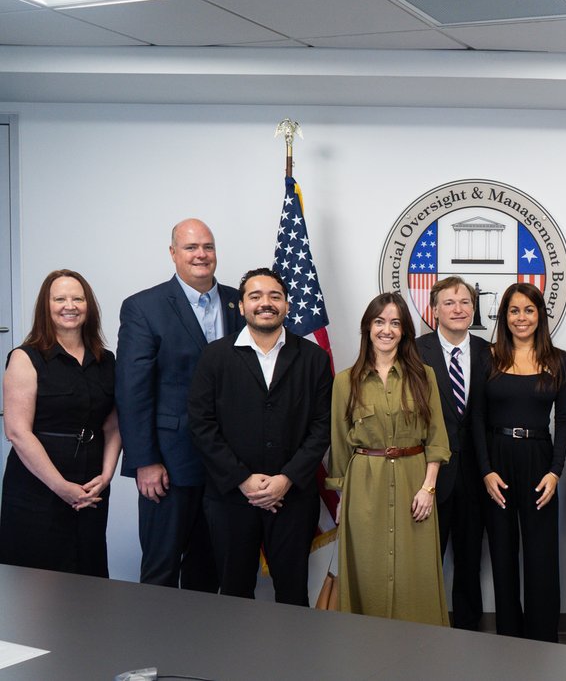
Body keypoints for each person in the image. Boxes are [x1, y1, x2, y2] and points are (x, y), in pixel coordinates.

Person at [188, 268, 332, 606]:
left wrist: (287, 478)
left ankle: (292, 645)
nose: (265, 303)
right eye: (255, 296)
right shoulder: (215, 356)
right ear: (241, 306)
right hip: (231, 497)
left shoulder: (313, 358)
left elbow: (323, 425)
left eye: (274, 296)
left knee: (293, 593)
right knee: (234, 592)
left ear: (287, 305)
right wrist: (242, 479)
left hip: (293, 497)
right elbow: (202, 424)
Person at [116, 218, 243, 591]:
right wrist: (145, 460)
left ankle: (202, 632)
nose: (201, 255)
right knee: (162, 569)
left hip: (226, 465)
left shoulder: (240, 302)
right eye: (191, 247)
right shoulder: (144, 307)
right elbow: (132, 391)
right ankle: (157, 634)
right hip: (169, 464)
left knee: (210, 569)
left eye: (208, 246)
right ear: (173, 253)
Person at [328, 292, 450, 623]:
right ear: (368, 328)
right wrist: (343, 497)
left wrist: (428, 488)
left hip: (414, 483)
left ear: (404, 330)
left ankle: (418, 647)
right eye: (380, 322)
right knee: (367, 570)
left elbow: (437, 438)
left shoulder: (425, 376)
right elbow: (339, 443)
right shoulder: (345, 381)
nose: (387, 330)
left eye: (395, 323)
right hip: (364, 488)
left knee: (415, 573)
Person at [0, 270, 121, 577]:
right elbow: (17, 431)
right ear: (47, 306)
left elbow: (113, 425)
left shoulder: (106, 360)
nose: (70, 306)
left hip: (91, 488)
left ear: (88, 306)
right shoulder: (25, 358)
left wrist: (106, 476)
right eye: (60, 299)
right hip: (37, 489)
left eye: (77, 299)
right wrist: (61, 487)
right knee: (38, 582)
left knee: (88, 573)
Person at [473, 282, 566, 641]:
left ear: (540, 315)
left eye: (529, 310)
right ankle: (509, 637)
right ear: (504, 316)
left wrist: (555, 472)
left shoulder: (558, 359)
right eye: (514, 310)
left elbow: (564, 420)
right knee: (502, 552)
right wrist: (485, 470)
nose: (521, 317)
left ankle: (543, 639)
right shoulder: (488, 357)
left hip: (539, 460)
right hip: (497, 459)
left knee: (541, 554)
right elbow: (477, 418)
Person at [415, 276, 488, 630]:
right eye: (449, 303)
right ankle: (423, 630)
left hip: (476, 474)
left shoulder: (490, 352)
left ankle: (468, 633)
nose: (458, 309)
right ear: (434, 310)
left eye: (465, 302)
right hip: (429, 475)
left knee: (470, 561)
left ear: (473, 308)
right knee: (424, 562)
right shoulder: (415, 351)